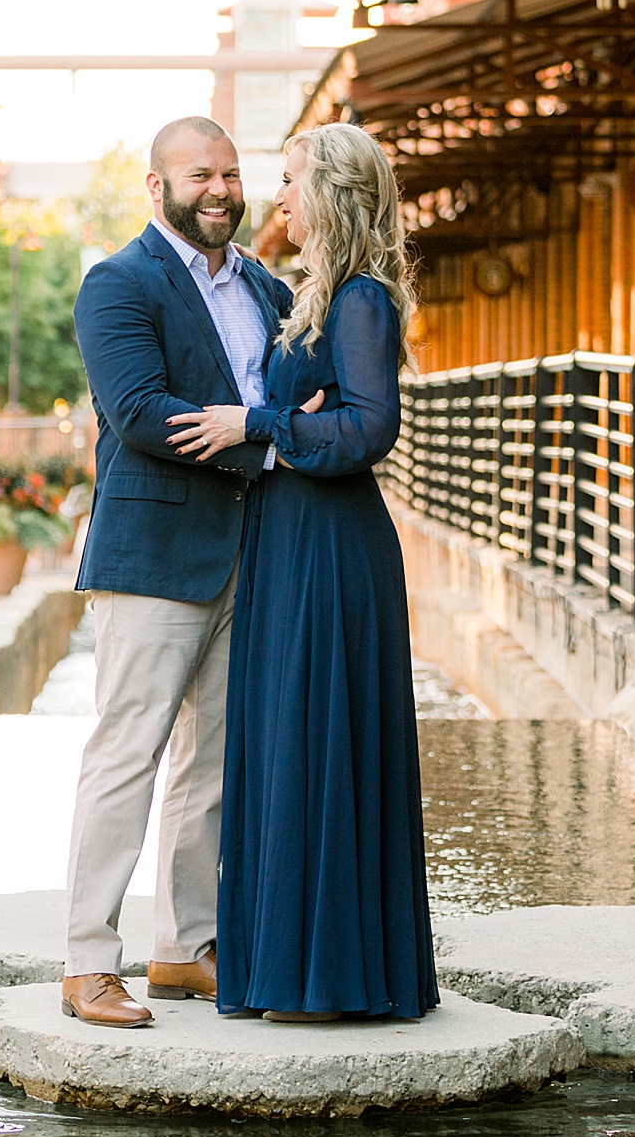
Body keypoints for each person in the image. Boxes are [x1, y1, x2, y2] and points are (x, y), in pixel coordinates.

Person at [166, 123, 437, 1023]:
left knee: (318, 743)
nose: (276, 196)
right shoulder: (311, 293)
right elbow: (322, 417)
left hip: (330, 548)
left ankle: (329, 978)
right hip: (289, 539)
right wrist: (290, 416)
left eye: (289, 180)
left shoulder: (361, 298)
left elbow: (368, 429)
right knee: (288, 741)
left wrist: (262, 423)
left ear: (329, 193)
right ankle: (291, 968)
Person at [62, 117, 293, 1028]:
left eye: (230, 174)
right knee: (127, 756)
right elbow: (139, 410)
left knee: (214, 763)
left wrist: (279, 425)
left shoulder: (266, 286)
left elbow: (295, 393)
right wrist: (268, 442)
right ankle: (88, 962)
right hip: (153, 556)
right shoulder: (118, 283)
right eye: (200, 175)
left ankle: (185, 947)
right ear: (157, 187)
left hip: (253, 551)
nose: (220, 191)